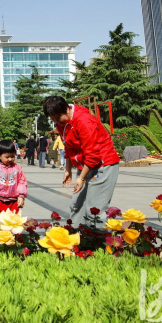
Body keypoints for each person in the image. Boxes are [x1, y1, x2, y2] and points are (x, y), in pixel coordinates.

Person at [43, 96, 120, 227]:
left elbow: (93, 155)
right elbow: (67, 146)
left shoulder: (84, 121)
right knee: (76, 206)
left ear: (67, 110)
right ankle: (75, 238)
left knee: (94, 210)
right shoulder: (63, 124)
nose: (56, 122)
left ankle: (105, 241)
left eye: (57, 118)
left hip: (102, 164)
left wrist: (82, 178)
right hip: (85, 166)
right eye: (53, 119)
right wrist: (68, 170)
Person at [0, 139, 28, 223]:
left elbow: (22, 182)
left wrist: (21, 196)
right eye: (7, 157)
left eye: (12, 156)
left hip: (13, 201)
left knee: (13, 223)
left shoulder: (17, 168)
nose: (10, 159)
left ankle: (12, 236)